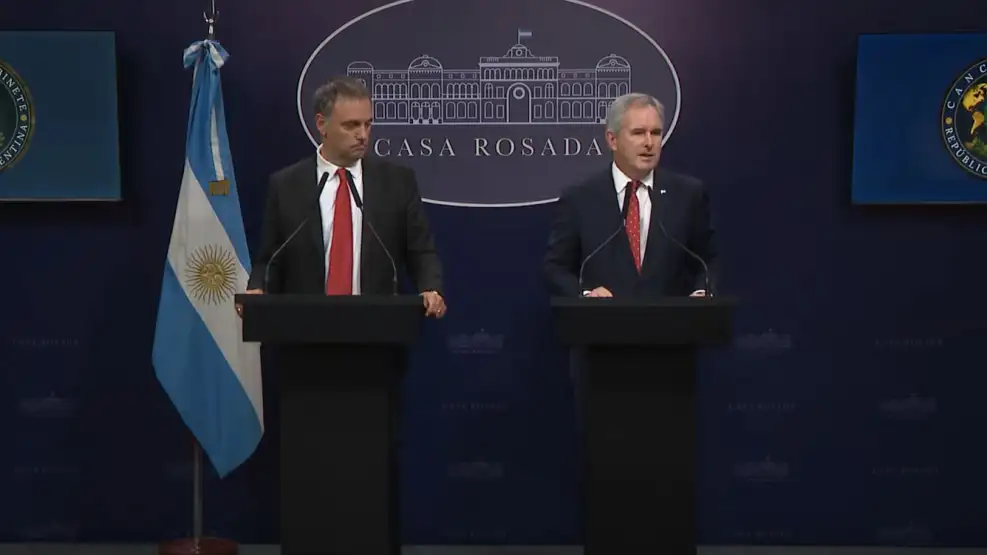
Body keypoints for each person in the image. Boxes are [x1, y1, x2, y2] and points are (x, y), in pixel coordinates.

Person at [240, 76, 446, 317]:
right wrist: (258, 288)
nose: (363, 135)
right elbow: (270, 258)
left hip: (376, 327)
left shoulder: (397, 183)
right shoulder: (286, 185)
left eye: (368, 124)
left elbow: (421, 251)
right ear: (322, 124)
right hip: (305, 327)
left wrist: (430, 288)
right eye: (351, 125)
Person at [543, 92, 717, 299]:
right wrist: (587, 296)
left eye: (655, 133)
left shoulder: (688, 194)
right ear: (612, 140)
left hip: (672, 318)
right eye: (638, 133)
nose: (649, 143)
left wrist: (701, 293)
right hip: (603, 318)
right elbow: (556, 268)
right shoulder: (579, 198)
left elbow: (708, 260)